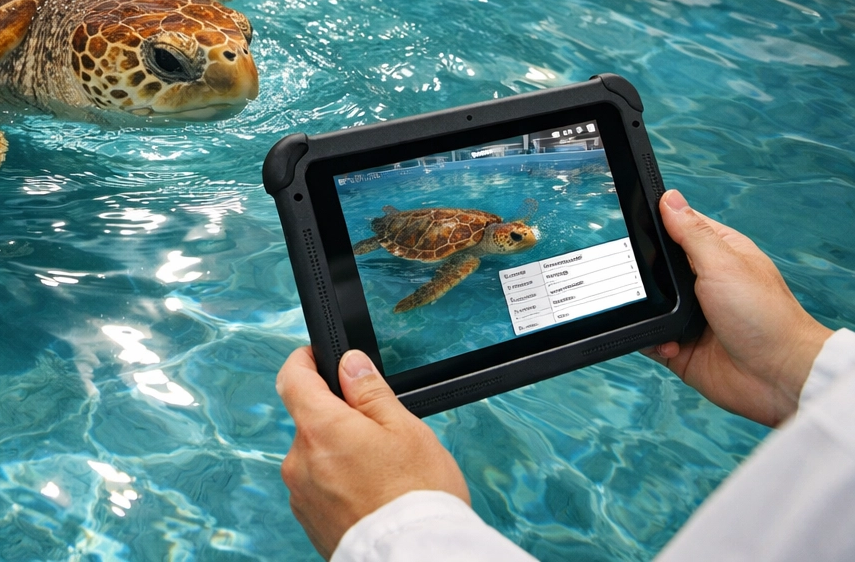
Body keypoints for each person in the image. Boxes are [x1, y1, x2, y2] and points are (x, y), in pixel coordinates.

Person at [276, 189, 854, 562]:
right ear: (496, 235)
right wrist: (794, 363)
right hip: (413, 231)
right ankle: (385, 229)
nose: (524, 240)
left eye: (521, 237)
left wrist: (391, 527)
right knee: (419, 263)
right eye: (515, 239)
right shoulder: (472, 254)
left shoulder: (499, 234)